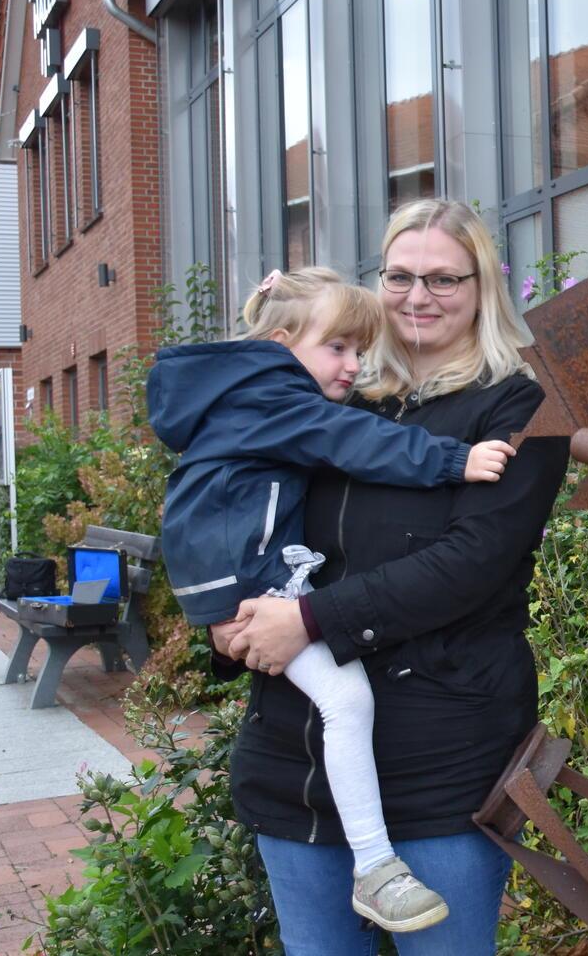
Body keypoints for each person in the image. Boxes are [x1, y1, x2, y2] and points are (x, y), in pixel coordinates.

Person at [220, 200, 568, 955]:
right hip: (299, 759)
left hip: (439, 756)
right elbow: (233, 506)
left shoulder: (518, 404)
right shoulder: (326, 395)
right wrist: (222, 610)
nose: (418, 296)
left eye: (443, 278)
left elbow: (472, 562)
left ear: (483, 287)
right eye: (400, 275)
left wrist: (309, 623)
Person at [149, 266, 515, 933]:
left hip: (242, 580)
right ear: (283, 341)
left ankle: (373, 863)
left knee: (341, 701)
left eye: (358, 351)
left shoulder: (244, 393)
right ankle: (376, 867)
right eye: (337, 349)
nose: (352, 367)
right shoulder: (276, 398)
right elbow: (352, 440)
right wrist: (452, 462)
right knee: (348, 701)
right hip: (256, 585)